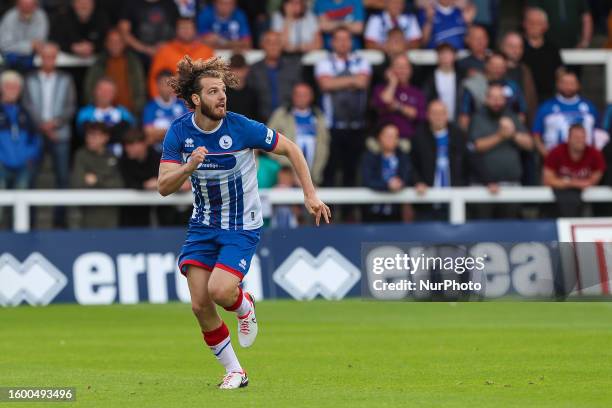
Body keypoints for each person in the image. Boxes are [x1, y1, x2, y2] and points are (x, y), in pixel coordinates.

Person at [157, 56, 330, 389]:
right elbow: (164, 186)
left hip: (241, 224)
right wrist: (188, 167)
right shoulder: (180, 131)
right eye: (212, 92)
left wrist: (310, 195)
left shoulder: (241, 127)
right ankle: (235, 370)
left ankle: (242, 304)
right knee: (199, 304)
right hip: (203, 225)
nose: (221, 97)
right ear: (196, 99)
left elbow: (291, 149)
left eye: (223, 90)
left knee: (220, 290)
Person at [315, 26, 371, 187]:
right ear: (332, 42)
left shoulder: (362, 61)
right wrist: (352, 80)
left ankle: (350, 212)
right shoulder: (324, 62)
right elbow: (325, 84)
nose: (343, 43)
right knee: (330, 172)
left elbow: (363, 82)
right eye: (339, 39)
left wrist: (337, 83)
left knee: (353, 172)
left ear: (351, 42)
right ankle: (329, 211)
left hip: (357, 127)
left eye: (346, 39)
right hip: (331, 127)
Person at [469, 83, 534, 219]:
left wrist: (513, 134)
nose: (497, 102)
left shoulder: (512, 117)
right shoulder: (478, 118)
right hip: (483, 187)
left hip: (511, 184)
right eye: (493, 98)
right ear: (486, 99)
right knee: (483, 231)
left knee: (510, 232)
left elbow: (529, 144)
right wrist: (500, 136)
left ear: (505, 100)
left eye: (500, 98)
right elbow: (476, 146)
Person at [23, 42, 76, 190]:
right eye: (45, 57)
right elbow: (27, 106)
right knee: (31, 176)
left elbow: (70, 107)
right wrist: (43, 125)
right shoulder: (29, 79)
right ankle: (29, 214)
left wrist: (55, 124)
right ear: (40, 58)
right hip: (36, 133)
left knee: (62, 177)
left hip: (60, 134)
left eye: (52, 57)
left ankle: (61, 214)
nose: (49, 60)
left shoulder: (67, 79)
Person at [268, 82, 330, 186]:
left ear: (311, 97)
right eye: (298, 95)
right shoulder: (281, 114)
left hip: (313, 174)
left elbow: (324, 146)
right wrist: (288, 167)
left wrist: (315, 173)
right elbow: (267, 141)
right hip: (285, 172)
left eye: (305, 95)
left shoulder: (318, 117)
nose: (301, 98)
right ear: (293, 96)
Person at [532, 69, 599, 158]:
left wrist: (593, 158)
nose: (568, 87)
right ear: (558, 84)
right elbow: (536, 135)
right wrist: (548, 157)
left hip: (585, 163)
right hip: (555, 162)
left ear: (578, 85)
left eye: (572, 83)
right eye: (564, 83)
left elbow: (598, 134)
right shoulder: (546, 107)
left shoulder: (589, 107)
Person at [411, 100, 472, 197]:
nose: (438, 117)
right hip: (426, 198)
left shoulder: (459, 136)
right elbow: (412, 164)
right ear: (427, 115)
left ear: (447, 115)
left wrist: (488, 181)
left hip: (455, 197)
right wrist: (418, 181)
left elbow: (471, 162)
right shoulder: (419, 137)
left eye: (441, 113)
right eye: (434, 113)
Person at [543, 124, 605, 217]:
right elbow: (548, 180)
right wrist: (573, 183)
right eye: (576, 137)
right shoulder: (556, 152)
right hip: (559, 199)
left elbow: (593, 180)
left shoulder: (594, 153)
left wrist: (565, 182)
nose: (580, 141)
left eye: (583, 137)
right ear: (568, 138)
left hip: (585, 199)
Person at [70, 122, 123, 229]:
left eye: (95, 136)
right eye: (88, 135)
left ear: (105, 137)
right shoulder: (81, 155)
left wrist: (97, 179)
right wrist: (106, 180)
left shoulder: (112, 156)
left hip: (110, 213)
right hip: (88, 213)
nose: (90, 139)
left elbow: (119, 183)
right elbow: (78, 183)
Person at [83, 29, 147, 116]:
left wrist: (138, 108)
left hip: (130, 113)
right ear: (106, 43)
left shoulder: (133, 62)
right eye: (111, 41)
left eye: (118, 41)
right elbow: (90, 88)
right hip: (101, 114)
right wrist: (95, 108)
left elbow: (140, 87)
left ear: (124, 43)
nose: (115, 45)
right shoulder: (99, 63)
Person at [459, 53, 527, 131]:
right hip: (481, 131)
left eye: (501, 67)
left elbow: (521, 113)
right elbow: (464, 116)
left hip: (508, 130)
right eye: (494, 66)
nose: (498, 70)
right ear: (486, 65)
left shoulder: (513, 86)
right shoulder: (473, 85)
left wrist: (515, 130)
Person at [148, 17, 214, 97]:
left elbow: (213, 80)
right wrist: (160, 103)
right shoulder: (164, 51)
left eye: (189, 27)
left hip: (200, 101)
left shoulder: (206, 51)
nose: (186, 31)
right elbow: (154, 80)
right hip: (172, 103)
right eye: (182, 28)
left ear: (195, 30)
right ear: (176, 30)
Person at [361, 124, 413, 222]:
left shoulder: (403, 157)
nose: (391, 139)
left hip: (396, 212)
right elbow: (367, 180)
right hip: (372, 212)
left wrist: (401, 183)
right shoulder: (370, 157)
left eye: (395, 136)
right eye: (388, 136)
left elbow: (408, 176)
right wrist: (387, 185)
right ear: (379, 137)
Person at [246, 31, 302, 122]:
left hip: (289, 121)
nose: (273, 46)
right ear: (262, 45)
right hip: (260, 122)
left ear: (281, 45)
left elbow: (300, 95)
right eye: (269, 42)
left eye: (276, 43)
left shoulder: (293, 68)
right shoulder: (254, 70)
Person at [0, 70, 41, 190]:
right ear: (1, 88)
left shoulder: (27, 112)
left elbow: (35, 139)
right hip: (1, 166)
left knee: (22, 203)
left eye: (16, 87)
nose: (12, 90)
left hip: (24, 166)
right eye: (8, 86)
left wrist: (30, 158)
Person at [76, 77, 135, 155]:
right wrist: (114, 132)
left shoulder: (123, 112)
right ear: (95, 91)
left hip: (120, 157)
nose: (105, 94)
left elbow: (127, 134)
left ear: (115, 94)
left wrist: (101, 134)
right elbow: (85, 133)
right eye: (102, 90)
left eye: (109, 91)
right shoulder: (85, 113)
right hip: (93, 157)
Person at [372, 54, 426, 139]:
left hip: (409, 140)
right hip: (385, 140)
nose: (402, 70)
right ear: (390, 69)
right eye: (398, 66)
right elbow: (384, 102)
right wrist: (392, 82)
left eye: (405, 67)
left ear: (410, 70)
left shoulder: (417, 92)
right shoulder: (381, 88)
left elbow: (420, 115)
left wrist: (398, 106)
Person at [119, 129, 163, 226]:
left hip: (160, 210)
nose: (129, 149)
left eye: (133, 144)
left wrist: (159, 182)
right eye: (127, 145)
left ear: (144, 144)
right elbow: (126, 182)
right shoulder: (123, 161)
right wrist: (145, 185)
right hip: (130, 212)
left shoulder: (158, 158)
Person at [522, 7, 563, 104]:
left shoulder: (552, 48)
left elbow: (560, 72)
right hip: (524, 96)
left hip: (548, 97)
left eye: (538, 23)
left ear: (546, 26)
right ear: (524, 24)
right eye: (531, 22)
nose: (534, 26)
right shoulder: (518, 46)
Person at [142, 70, 188, 149]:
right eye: (163, 84)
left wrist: (159, 133)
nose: (166, 88)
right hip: (158, 151)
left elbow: (187, 129)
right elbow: (149, 132)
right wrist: (175, 132)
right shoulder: (150, 107)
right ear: (157, 85)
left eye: (169, 84)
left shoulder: (181, 104)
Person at [500, 31, 538, 125]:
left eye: (519, 47)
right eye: (511, 46)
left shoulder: (525, 70)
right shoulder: (494, 69)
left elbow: (531, 100)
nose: (516, 50)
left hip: (522, 124)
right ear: (502, 47)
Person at [0, 0, 48, 71]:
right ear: (18, 5)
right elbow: (4, 45)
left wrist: (20, 46)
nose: (28, 7)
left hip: (33, 57)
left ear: (36, 5)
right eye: (24, 4)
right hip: (12, 58)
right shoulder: (9, 17)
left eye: (31, 5)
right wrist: (30, 45)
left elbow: (40, 43)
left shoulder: (41, 16)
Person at [526, 0, 593, 49]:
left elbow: (586, 17)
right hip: (546, 45)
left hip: (574, 44)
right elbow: (531, 15)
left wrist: (585, 41)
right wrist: (534, 42)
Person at [423, 43, 462, 121]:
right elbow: (426, 99)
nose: (445, 57)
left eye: (448, 54)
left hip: (456, 121)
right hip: (437, 121)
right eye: (442, 54)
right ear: (437, 57)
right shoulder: (429, 78)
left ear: (455, 56)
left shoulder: (461, 77)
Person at [225, 54, 259, 119]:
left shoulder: (253, 93)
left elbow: (256, 118)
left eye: (240, 69)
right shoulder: (223, 93)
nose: (238, 73)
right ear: (228, 71)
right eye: (234, 69)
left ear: (247, 70)